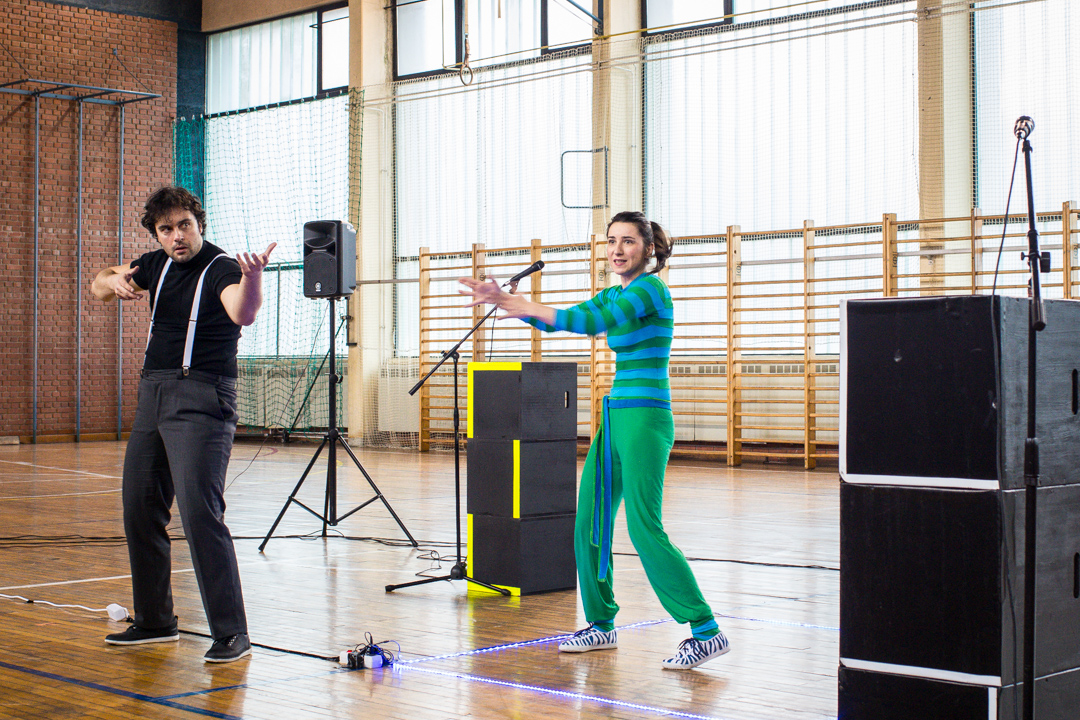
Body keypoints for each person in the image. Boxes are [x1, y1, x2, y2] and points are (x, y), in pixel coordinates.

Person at [459, 211, 729, 670]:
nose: (617, 250)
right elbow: (578, 317)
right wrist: (512, 306)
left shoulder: (650, 290)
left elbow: (594, 322)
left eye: (628, 241)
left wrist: (520, 303)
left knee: (644, 528)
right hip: (615, 415)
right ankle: (601, 624)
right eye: (611, 241)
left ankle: (706, 630)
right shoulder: (615, 293)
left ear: (648, 249)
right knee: (588, 522)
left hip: (645, 417)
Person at [91, 186, 275, 663]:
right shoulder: (155, 265)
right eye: (166, 229)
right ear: (156, 234)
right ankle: (155, 621)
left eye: (185, 226)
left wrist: (254, 278)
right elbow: (99, 283)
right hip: (152, 394)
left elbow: (243, 311)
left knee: (199, 514)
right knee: (139, 507)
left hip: (202, 397)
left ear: (200, 224)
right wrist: (113, 282)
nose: (177, 236)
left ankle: (232, 632)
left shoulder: (222, 267)